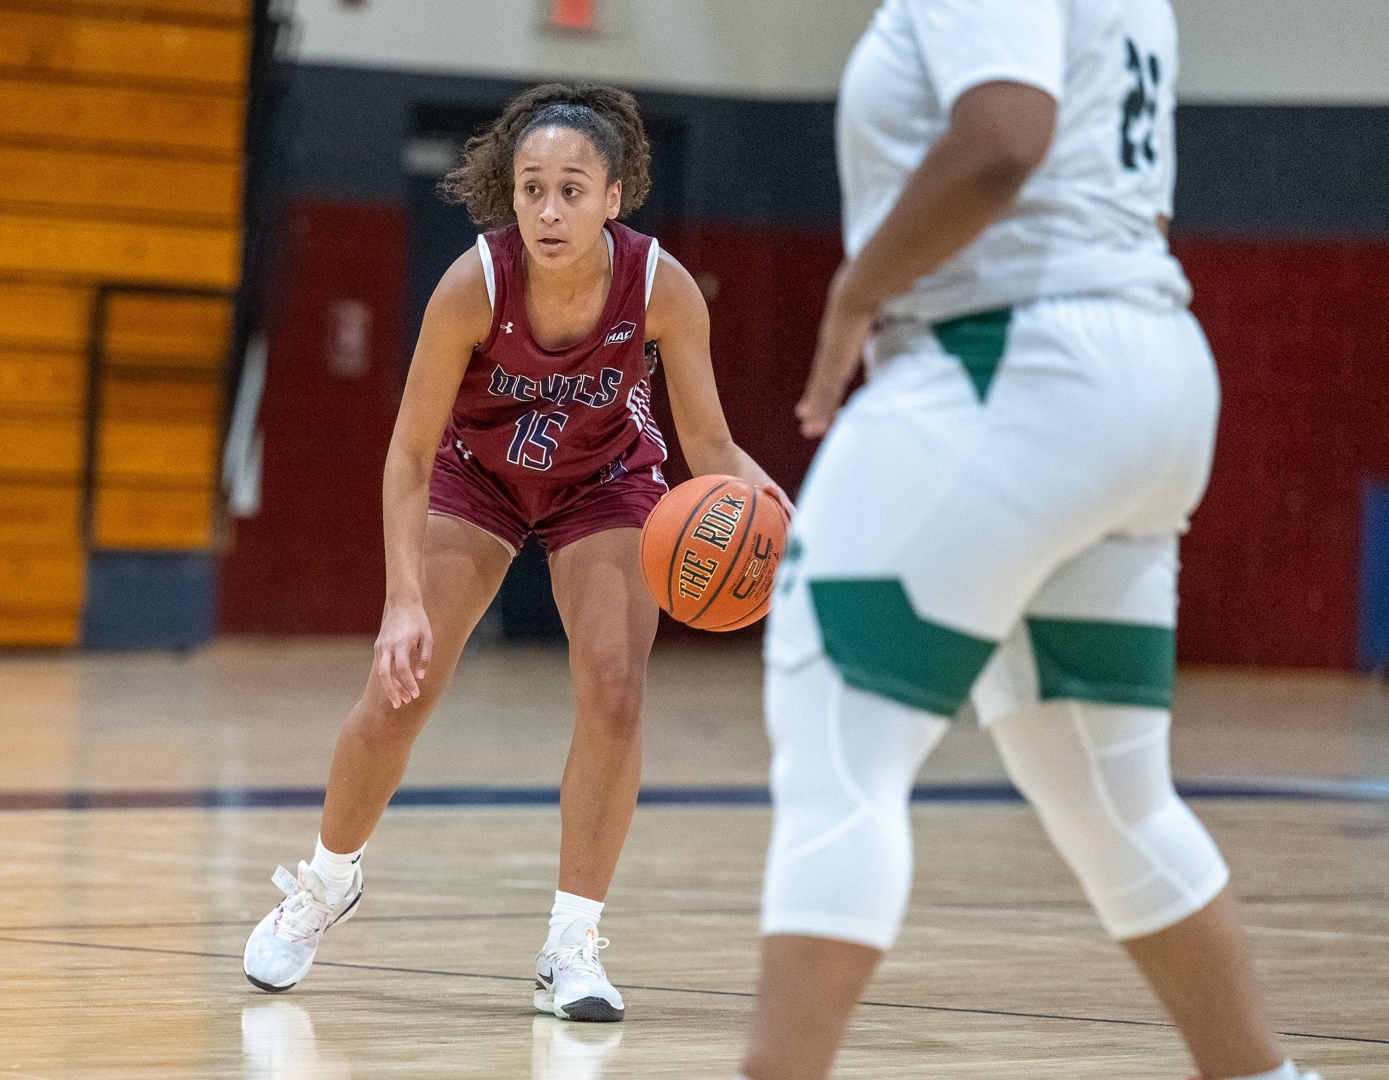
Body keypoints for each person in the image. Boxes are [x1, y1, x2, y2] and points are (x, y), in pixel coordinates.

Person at [736, 2, 1320, 1078]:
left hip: (1011, 360)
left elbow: (1007, 136)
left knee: (838, 750)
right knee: (1110, 793)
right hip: (1145, 368)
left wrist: (857, 289)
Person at [241, 83, 787, 1022]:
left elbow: (710, 445)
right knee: (398, 688)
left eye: (572, 189)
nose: (548, 208)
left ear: (615, 196)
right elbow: (409, 452)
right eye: (532, 187)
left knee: (616, 688)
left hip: (607, 482)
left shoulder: (661, 285)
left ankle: (571, 942)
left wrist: (769, 499)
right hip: (475, 478)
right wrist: (400, 600)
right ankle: (327, 882)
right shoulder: (474, 284)